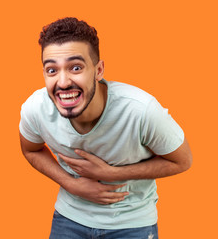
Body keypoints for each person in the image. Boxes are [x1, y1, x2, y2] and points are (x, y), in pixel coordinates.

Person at [19, 17, 192, 239]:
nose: (62, 82)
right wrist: (71, 185)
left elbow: (182, 160)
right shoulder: (35, 108)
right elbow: (30, 149)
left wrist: (112, 173)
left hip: (132, 224)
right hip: (69, 218)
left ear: (98, 70)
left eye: (75, 67)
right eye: (51, 70)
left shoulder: (141, 110)